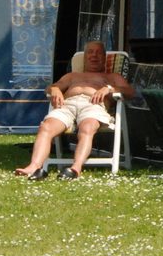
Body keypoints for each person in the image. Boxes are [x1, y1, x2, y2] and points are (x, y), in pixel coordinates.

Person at [14, 40, 136, 180]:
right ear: (85, 57)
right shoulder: (72, 76)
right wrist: (55, 90)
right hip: (67, 105)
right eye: (90, 52)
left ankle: (75, 168)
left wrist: (109, 88)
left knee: (87, 127)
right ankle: (34, 166)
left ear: (104, 58)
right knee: (46, 127)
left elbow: (130, 92)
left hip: (93, 106)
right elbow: (53, 86)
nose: (94, 56)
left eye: (98, 53)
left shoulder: (112, 77)